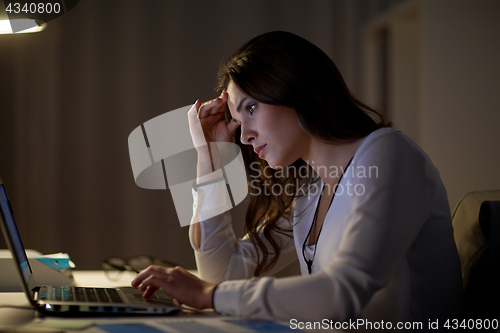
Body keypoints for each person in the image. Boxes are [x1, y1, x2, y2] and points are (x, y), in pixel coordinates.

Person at [131, 31, 463, 327]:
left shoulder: (390, 155)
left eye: (250, 109)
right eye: (236, 119)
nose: (244, 136)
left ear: (296, 88)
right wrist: (211, 158)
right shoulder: (313, 190)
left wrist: (211, 296)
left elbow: (342, 293)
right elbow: (221, 274)